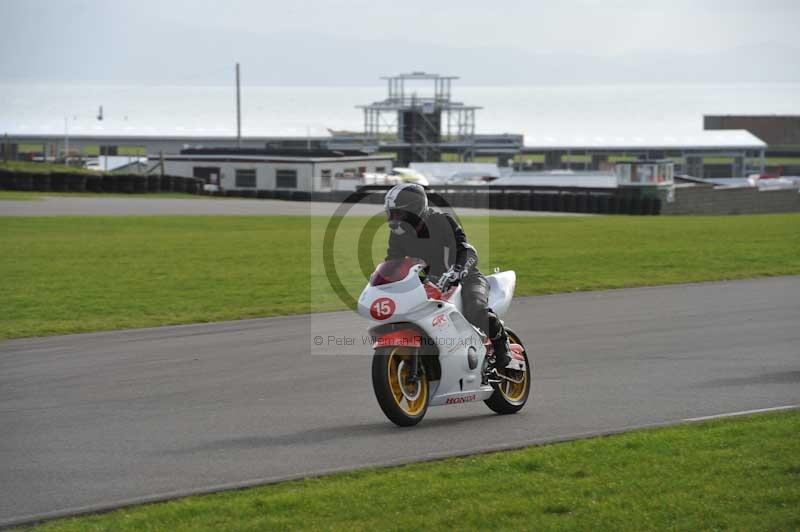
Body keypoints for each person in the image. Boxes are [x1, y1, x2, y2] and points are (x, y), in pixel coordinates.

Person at [383, 183, 511, 368]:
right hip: (432, 283)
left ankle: (502, 344)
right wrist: (384, 282)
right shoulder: (397, 235)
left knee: (475, 308)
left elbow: (468, 252)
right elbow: (392, 263)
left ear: (414, 210)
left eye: (398, 214)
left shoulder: (442, 221)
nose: (394, 219)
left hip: (466, 278)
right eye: (391, 213)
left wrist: (457, 272)